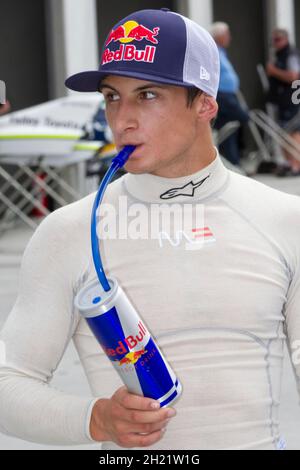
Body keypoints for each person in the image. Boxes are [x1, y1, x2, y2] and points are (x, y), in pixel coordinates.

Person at [0, 8, 299, 451]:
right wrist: (96, 419)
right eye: (111, 96)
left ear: (205, 104)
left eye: (148, 95)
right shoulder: (69, 231)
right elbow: (10, 383)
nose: (122, 120)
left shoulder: (285, 219)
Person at [210, 22, 249, 166]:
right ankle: (238, 153)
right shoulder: (212, 51)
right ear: (218, 36)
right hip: (222, 95)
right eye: (226, 35)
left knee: (228, 127)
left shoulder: (222, 52)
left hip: (229, 95)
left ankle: (233, 162)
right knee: (243, 117)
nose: (229, 38)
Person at [266, 28, 300, 175]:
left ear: (286, 39)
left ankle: (296, 164)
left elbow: (294, 76)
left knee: (293, 131)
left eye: (278, 40)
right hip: (282, 100)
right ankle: (289, 163)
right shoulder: (279, 55)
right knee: (284, 132)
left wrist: (274, 71)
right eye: (273, 40)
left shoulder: (290, 54)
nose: (275, 43)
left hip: (292, 98)